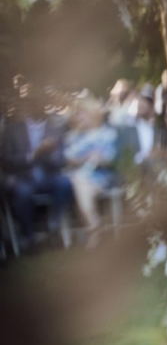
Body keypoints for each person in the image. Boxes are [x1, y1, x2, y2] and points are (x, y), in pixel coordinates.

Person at [0, 85, 73, 251]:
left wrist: (49, 153)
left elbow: (61, 160)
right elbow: (5, 161)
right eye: (32, 102)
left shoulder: (55, 129)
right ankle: (29, 236)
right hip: (23, 178)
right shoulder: (12, 130)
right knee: (22, 192)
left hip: (48, 176)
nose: (37, 106)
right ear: (26, 105)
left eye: (41, 102)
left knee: (65, 183)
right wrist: (33, 154)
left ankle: (53, 224)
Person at [64, 98, 118, 244]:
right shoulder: (75, 136)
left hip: (101, 177)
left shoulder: (108, 134)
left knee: (79, 183)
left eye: (82, 114)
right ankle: (93, 226)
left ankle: (93, 228)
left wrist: (100, 159)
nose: (78, 117)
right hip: (79, 178)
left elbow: (112, 160)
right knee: (79, 183)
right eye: (77, 114)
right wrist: (86, 158)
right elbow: (68, 158)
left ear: (92, 114)